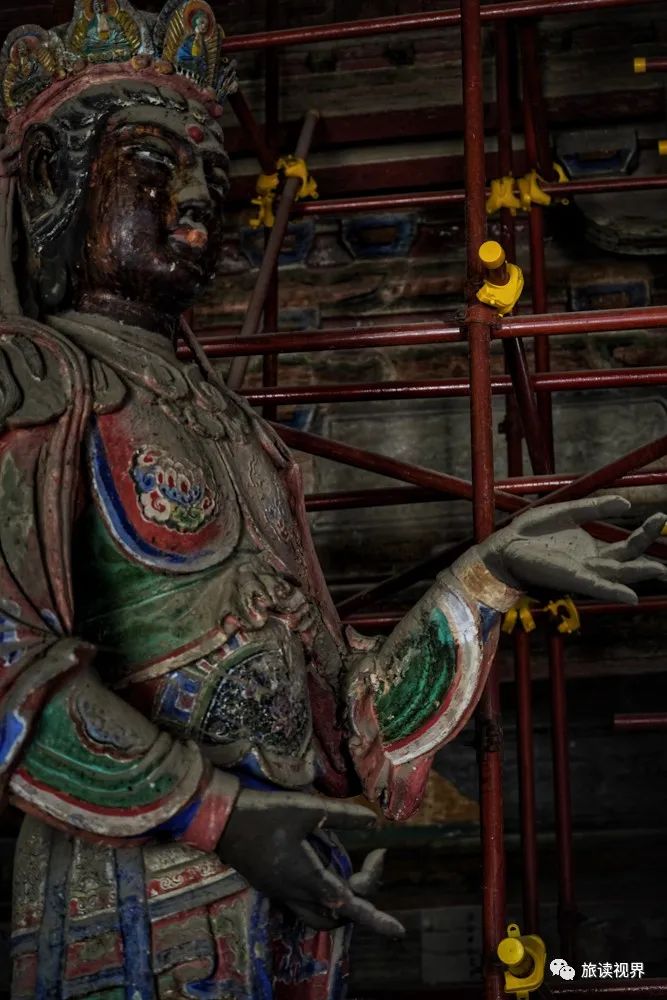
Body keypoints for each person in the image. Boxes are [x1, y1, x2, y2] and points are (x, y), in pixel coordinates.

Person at [0, 3, 664, 998]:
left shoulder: (247, 435)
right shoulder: (38, 379)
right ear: (56, 178)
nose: (192, 205)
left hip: (289, 886)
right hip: (133, 888)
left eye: (209, 182)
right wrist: (216, 810)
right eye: (152, 169)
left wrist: (487, 577)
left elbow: (345, 706)